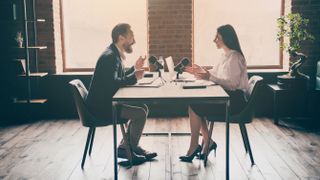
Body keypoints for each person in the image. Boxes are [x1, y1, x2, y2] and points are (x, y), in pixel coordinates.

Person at [85, 23, 157, 164]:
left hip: (104, 103)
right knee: (140, 113)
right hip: (102, 109)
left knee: (143, 107)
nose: (134, 41)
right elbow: (113, 84)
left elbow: (117, 78)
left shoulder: (112, 53)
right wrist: (135, 77)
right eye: (131, 37)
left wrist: (134, 69)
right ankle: (126, 149)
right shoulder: (110, 57)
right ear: (121, 38)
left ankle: (129, 146)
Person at [180, 24, 249, 164]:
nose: (214, 40)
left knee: (194, 107)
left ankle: (196, 146)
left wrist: (209, 77)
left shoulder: (234, 57)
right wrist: (201, 72)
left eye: (217, 37)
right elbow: (216, 74)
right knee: (196, 105)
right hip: (228, 97)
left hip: (235, 101)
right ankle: (208, 142)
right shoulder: (225, 55)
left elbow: (232, 84)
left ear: (226, 39)